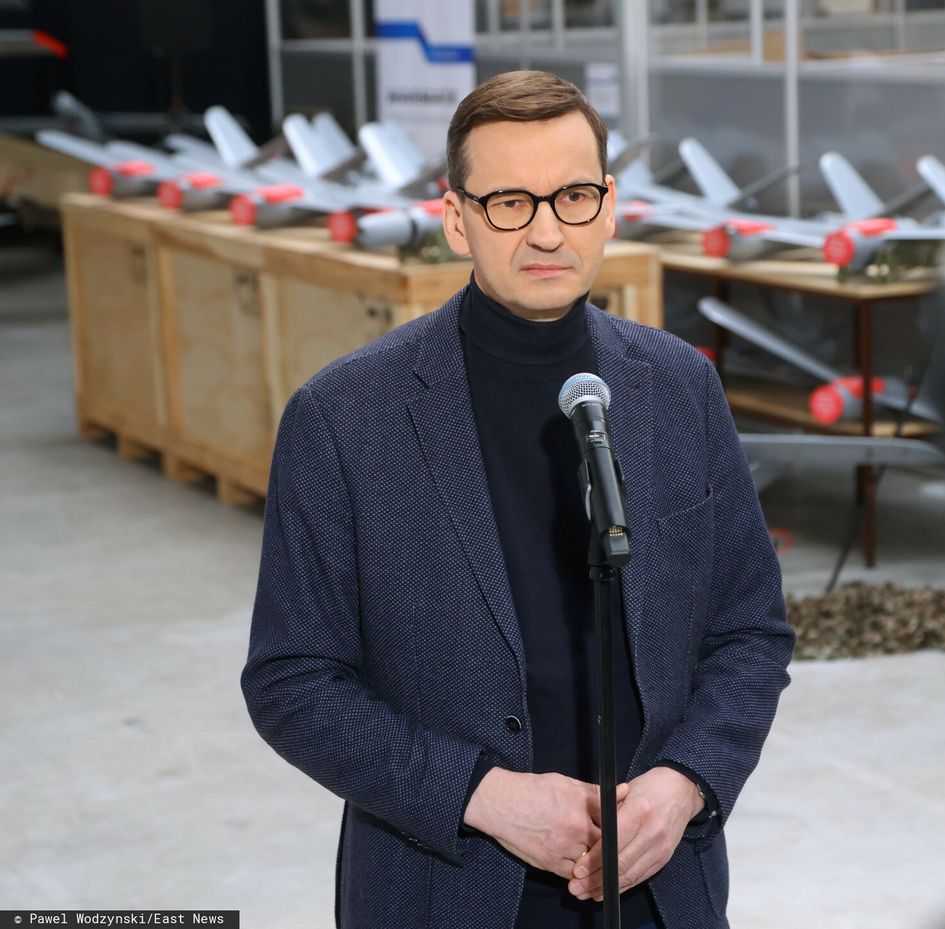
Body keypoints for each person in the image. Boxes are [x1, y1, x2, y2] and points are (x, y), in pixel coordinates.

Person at [241, 70, 794, 929]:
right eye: (508, 201)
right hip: (446, 886)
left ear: (609, 205)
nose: (545, 230)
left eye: (572, 196)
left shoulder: (682, 387)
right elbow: (292, 681)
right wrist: (482, 795)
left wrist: (683, 784)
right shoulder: (344, 416)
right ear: (457, 217)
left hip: (658, 887)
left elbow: (750, 630)